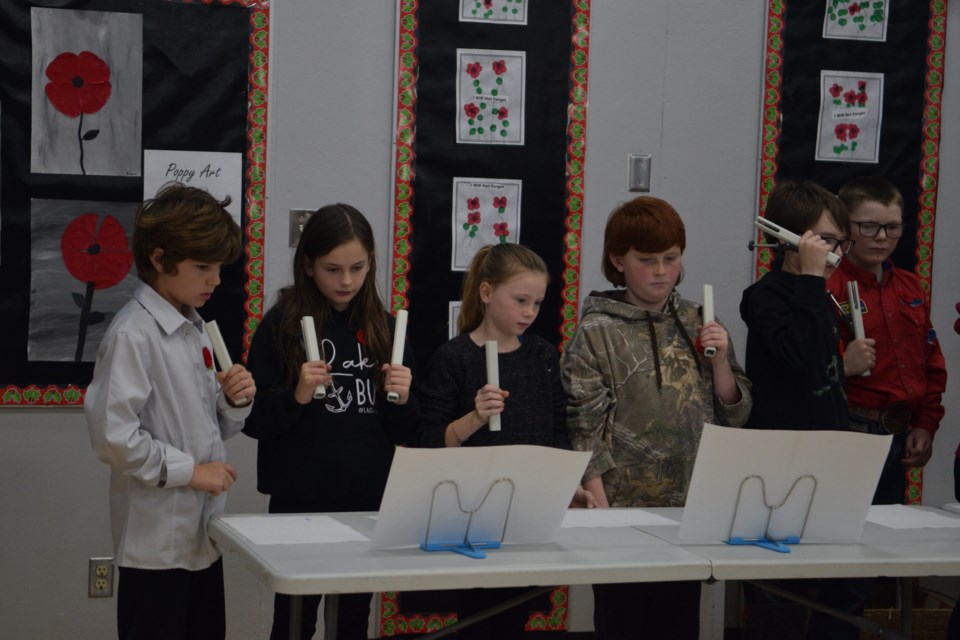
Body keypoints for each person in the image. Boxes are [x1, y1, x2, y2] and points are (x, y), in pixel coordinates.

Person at [562, 195, 752, 640]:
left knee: (678, 620)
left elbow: (736, 411)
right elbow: (583, 427)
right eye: (647, 260)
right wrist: (603, 516)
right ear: (618, 260)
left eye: (671, 258)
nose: (662, 271)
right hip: (622, 508)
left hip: (690, 506)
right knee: (623, 621)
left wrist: (721, 359)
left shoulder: (698, 319)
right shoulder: (596, 331)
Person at [85, 183, 256, 640]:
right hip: (156, 547)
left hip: (201, 539)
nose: (214, 280)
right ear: (160, 260)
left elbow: (201, 426)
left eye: (218, 268)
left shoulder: (193, 328)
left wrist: (232, 402)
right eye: (202, 267)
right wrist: (193, 473)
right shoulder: (133, 335)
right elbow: (114, 438)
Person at [243, 203, 418, 640]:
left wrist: (403, 398)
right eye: (332, 269)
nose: (346, 281)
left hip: (366, 501)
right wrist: (295, 396)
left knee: (352, 621)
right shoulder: (280, 326)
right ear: (308, 265)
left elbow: (407, 431)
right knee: (295, 621)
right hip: (299, 501)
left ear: (371, 263)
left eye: (357, 268)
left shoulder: (386, 328)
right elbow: (252, 420)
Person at [418, 242, 596, 639]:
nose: (530, 312)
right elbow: (428, 443)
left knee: (516, 616)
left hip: (526, 516)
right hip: (470, 518)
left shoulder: (543, 356)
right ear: (486, 293)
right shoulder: (454, 358)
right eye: (520, 300)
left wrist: (569, 487)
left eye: (537, 302)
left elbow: (557, 432)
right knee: (477, 619)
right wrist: (473, 418)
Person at [739, 180, 863, 640]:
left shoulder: (820, 296)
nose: (837, 252)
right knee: (778, 591)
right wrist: (811, 280)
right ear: (793, 241)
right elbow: (800, 358)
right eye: (827, 241)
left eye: (839, 242)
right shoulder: (766, 296)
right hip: (780, 462)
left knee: (845, 577)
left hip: (829, 453)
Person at [827, 176, 946, 505]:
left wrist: (925, 424)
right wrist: (842, 364)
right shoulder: (828, 284)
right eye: (868, 227)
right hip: (849, 429)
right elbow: (805, 363)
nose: (882, 237)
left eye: (892, 227)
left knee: (887, 536)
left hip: (901, 432)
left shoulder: (910, 286)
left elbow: (930, 364)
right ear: (844, 225)